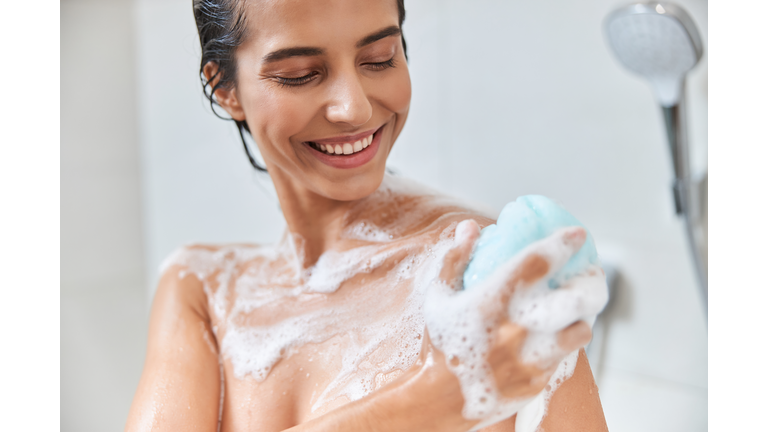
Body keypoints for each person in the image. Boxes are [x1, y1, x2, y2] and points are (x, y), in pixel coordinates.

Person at [126, 0, 609, 430]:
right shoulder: (205, 291)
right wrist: (437, 399)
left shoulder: (486, 280)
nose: (353, 108)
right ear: (225, 88)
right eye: (300, 73)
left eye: (379, 59)